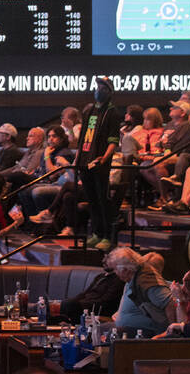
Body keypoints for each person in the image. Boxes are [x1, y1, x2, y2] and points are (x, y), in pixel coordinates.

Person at [77, 76, 122, 249]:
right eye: (97, 87)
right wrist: (78, 157)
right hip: (85, 160)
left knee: (102, 199)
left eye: (103, 87)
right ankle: (96, 232)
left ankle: (107, 236)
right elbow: (82, 138)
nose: (98, 90)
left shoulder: (113, 113)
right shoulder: (89, 111)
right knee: (92, 199)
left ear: (109, 92)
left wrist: (104, 157)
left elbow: (113, 140)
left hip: (100, 162)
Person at [109, 246, 172, 337]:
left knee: (113, 334)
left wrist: (170, 333)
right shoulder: (131, 280)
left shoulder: (151, 285)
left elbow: (170, 304)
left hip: (145, 331)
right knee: (99, 329)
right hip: (124, 326)